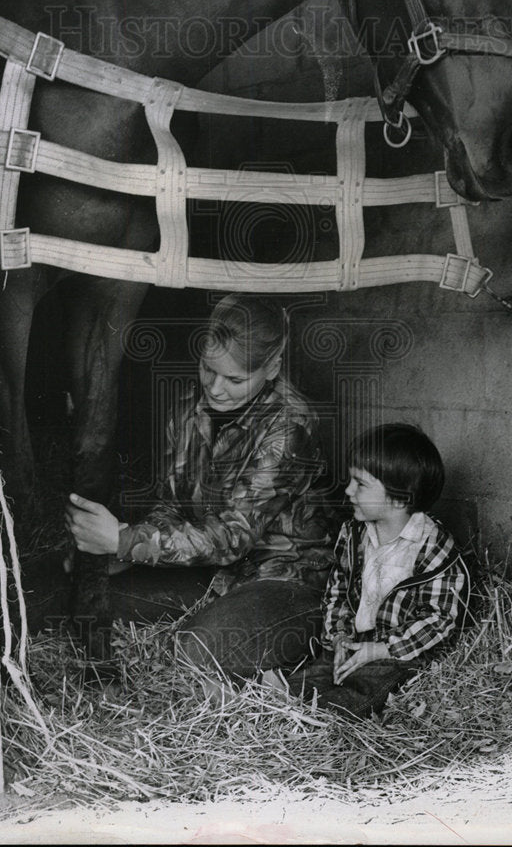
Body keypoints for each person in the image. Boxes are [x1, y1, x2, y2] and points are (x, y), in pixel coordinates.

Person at [65, 293, 338, 685]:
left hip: (284, 581)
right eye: (208, 369)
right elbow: (170, 506)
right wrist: (131, 549)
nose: (215, 387)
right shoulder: (187, 407)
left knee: (198, 651)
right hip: (212, 572)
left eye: (235, 379)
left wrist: (125, 541)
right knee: (84, 592)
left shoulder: (290, 425)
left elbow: (233, 537)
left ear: (273, 367)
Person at [264, 423, 469, 718]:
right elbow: (338, 590)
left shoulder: (434, 549)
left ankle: (318, 715)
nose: (348, 490)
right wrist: (339, 638)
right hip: (356, 640)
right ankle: (274, 698)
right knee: (319, 671)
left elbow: (438, 619)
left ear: (399, 498)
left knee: (366, 690)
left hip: (399, 653)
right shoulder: (354, 534)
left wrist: (380, 650)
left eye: (360, 484)